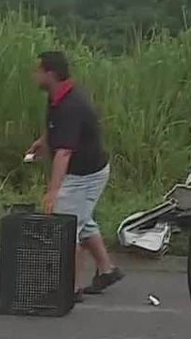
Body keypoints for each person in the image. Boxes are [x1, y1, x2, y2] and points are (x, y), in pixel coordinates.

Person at [28, 51, 123, 299]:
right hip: (84, 170)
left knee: (66, 226)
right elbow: (54, 126)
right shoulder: (57, 96)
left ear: (50, 73)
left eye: (37, 70)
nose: (34, 75)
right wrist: (43, 140)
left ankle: (70, 287)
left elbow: (64, 153)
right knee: (81, 218)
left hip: (87, 174)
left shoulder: (72, 105)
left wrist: (53, 191)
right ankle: (107, 269)